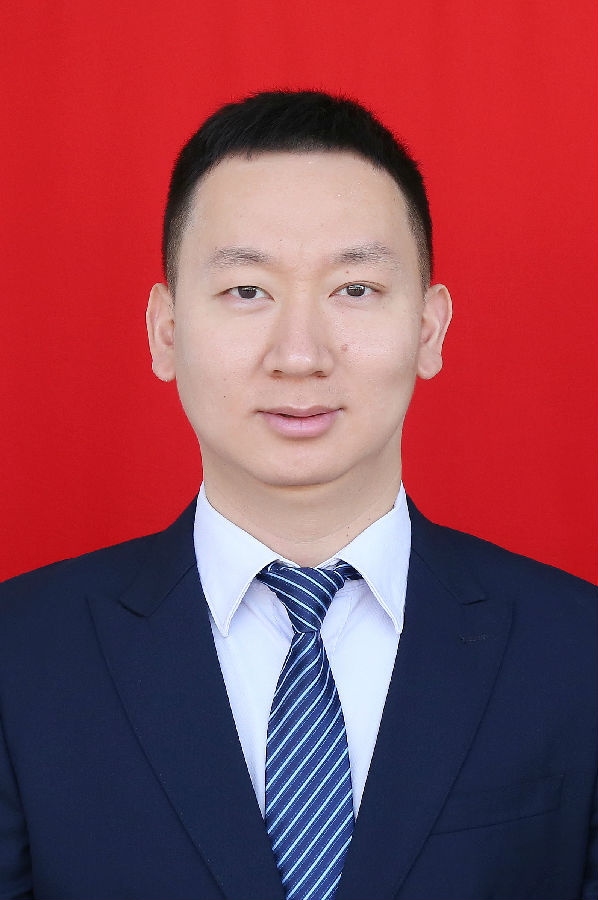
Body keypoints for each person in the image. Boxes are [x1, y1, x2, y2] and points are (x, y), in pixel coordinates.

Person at [0, 90, 595, 900]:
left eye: (355, 288)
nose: (300, 354)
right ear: (165, 332)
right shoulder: (22, 659)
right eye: (248, 291)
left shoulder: (576, 652)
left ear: (429, 329)